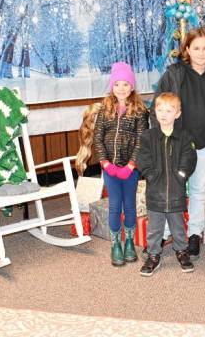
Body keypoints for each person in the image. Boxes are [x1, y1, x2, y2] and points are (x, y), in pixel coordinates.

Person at [152, 26, 205, 258]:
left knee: (200, 190)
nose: (201, 53)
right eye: (196, 48)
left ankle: (194, 235)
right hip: (178, 145)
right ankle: (166, 233)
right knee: (173, 190)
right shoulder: (174, 74)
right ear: (187, 49)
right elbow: (157, 107)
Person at [75, 62, 149, 267]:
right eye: (117, 84)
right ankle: (116, 244)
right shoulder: (105, 111)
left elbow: (141, 139)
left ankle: (129, 243)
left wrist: (131, 165)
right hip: (109, 169)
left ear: (132, 87)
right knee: (115, 206)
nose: (122, 89)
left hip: (130, 170)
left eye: (126, 84)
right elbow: (98, 138)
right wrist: (106, 164)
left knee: (130, 206)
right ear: (112, 87)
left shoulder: (140, 112)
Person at [137, 92, 198, 276]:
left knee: (178, 226)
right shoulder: (148, 136)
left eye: (169, 110)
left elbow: (189, 157)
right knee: (155, 227)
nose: (164, 114)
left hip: (176, 191)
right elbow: (142, 157)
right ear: (154, 111)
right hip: (155, 191)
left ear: (177, 114)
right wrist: (149, 174)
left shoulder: (184, 137)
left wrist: (181, 174)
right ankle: (153, 255)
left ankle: (181, 251)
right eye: (160, 109)